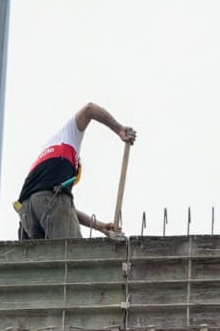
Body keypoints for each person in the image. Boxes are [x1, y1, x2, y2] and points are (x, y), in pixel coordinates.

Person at [15, 103, 137, 240]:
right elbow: (89, 109)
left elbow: (64, 210)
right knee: (72, 253)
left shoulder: (44, 158)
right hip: (46, 200)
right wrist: (119, 129)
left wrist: (100, 226)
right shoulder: (70, 138)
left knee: (45, 258)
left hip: (25, 209)